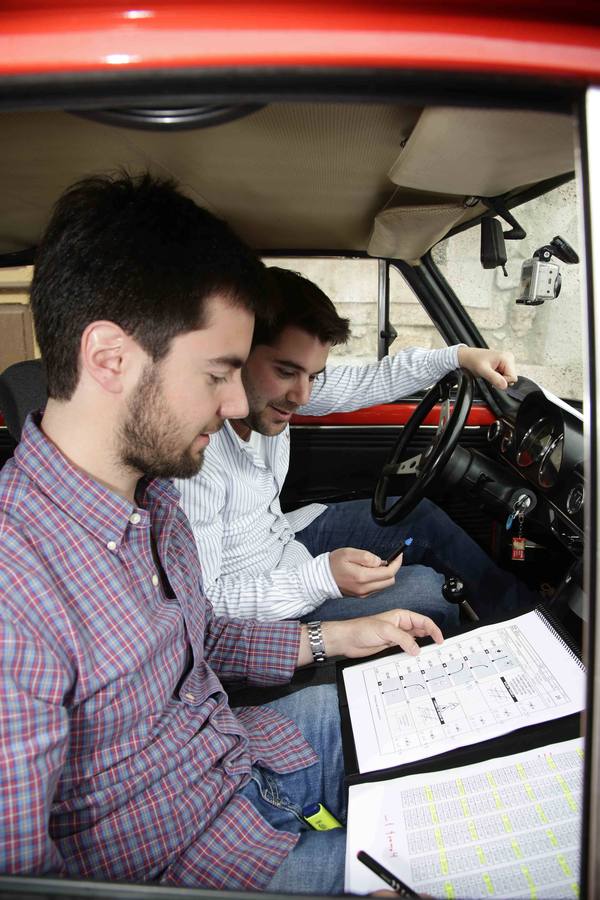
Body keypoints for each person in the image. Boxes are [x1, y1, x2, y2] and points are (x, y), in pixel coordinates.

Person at [0, 172, 444, 894]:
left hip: (247, 761)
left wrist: (332, 638)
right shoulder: (14, 590)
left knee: (447, 727)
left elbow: (197, 637)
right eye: (218, 374)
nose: (239, 402)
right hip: (194, 865)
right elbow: (22, 881)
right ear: (111, 359)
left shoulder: (154, 504)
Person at [178, 267, 536, 629]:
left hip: (287, 537)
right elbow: (206, 606)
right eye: (286, 372)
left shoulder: (274, 395)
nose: (302, 396)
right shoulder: (193, 460)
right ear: (237, 353)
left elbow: (365, 381)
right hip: (266, 606)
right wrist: (321, 579)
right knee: (430, 592)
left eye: (313, 376)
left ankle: (527, 621)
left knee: (418, 516)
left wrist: (458, 357)